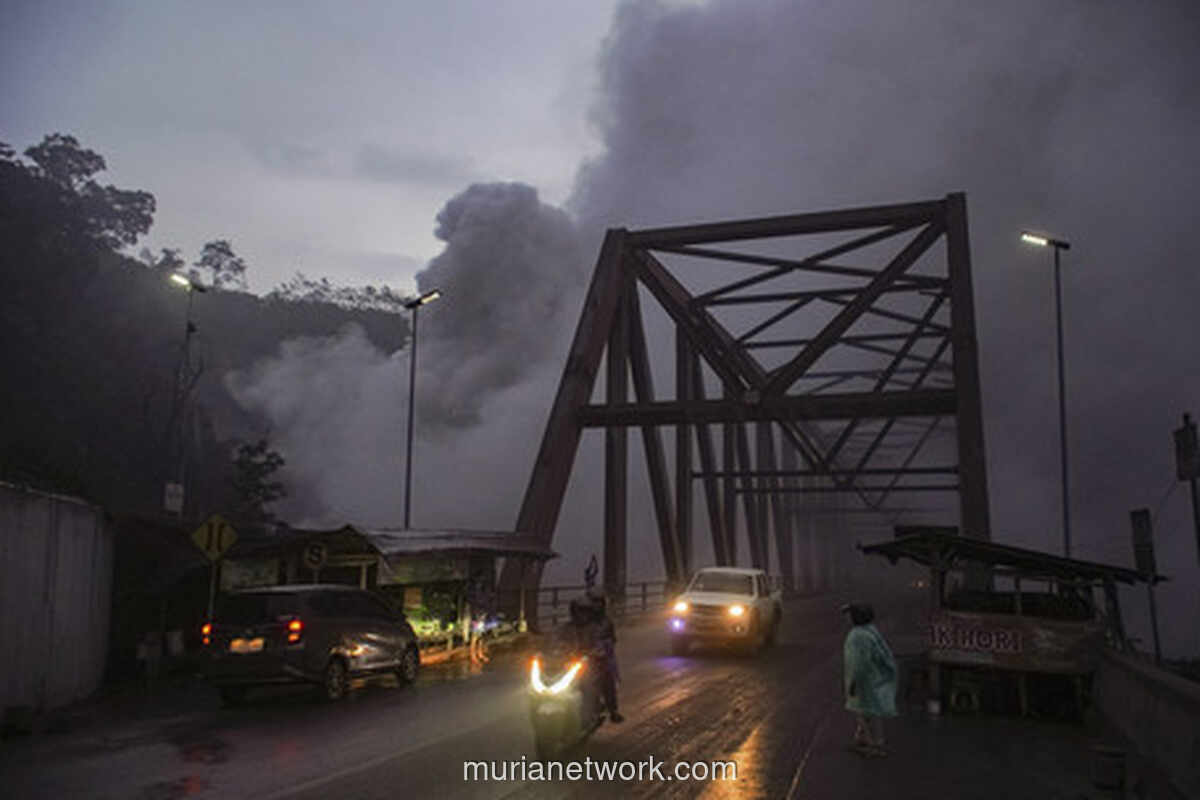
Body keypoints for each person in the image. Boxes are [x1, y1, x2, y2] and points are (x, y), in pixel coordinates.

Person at [841, 603, 897, 757]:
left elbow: (860, 662)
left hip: (865, 680)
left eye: (849, 614)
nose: (847, 618)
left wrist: (853, 682)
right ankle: (863, 740)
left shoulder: (857, 636)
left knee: (863, 712)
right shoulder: (870, 630)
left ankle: (874, 745)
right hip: (876, 677)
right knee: (871, 711)